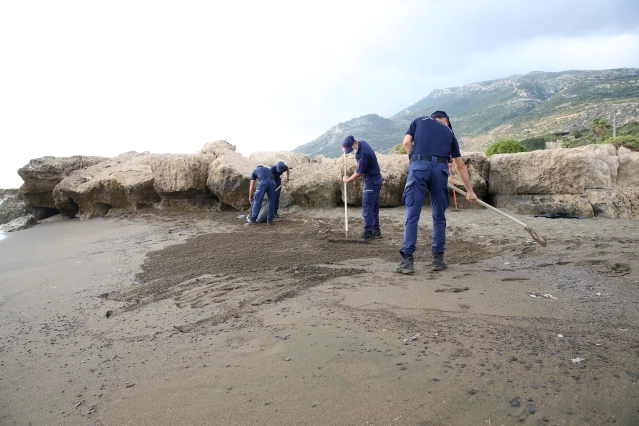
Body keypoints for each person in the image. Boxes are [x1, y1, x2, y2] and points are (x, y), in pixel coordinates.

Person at [395, 111, 478, 274]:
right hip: (440, 170)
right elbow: (460, 165)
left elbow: (406, 142)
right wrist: (470, 191)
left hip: (419, 166)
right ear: (446, 120)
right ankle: (438, 260)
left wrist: (414, 159)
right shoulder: (450, 133)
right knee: (439, 216)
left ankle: (407, 261)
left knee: (412, 214)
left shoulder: (419, 120)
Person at [342, 135, 383, 240]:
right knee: (373, 207)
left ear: (355, 144)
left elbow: (358, 172)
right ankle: (376, 231)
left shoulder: (364, 153)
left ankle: (368, 233)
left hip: (371, 181)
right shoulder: (361, 143)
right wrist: (345, 148)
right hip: (376, 179)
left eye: (350, 149)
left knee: (367, 207)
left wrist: (348, 179)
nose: (350, 151)